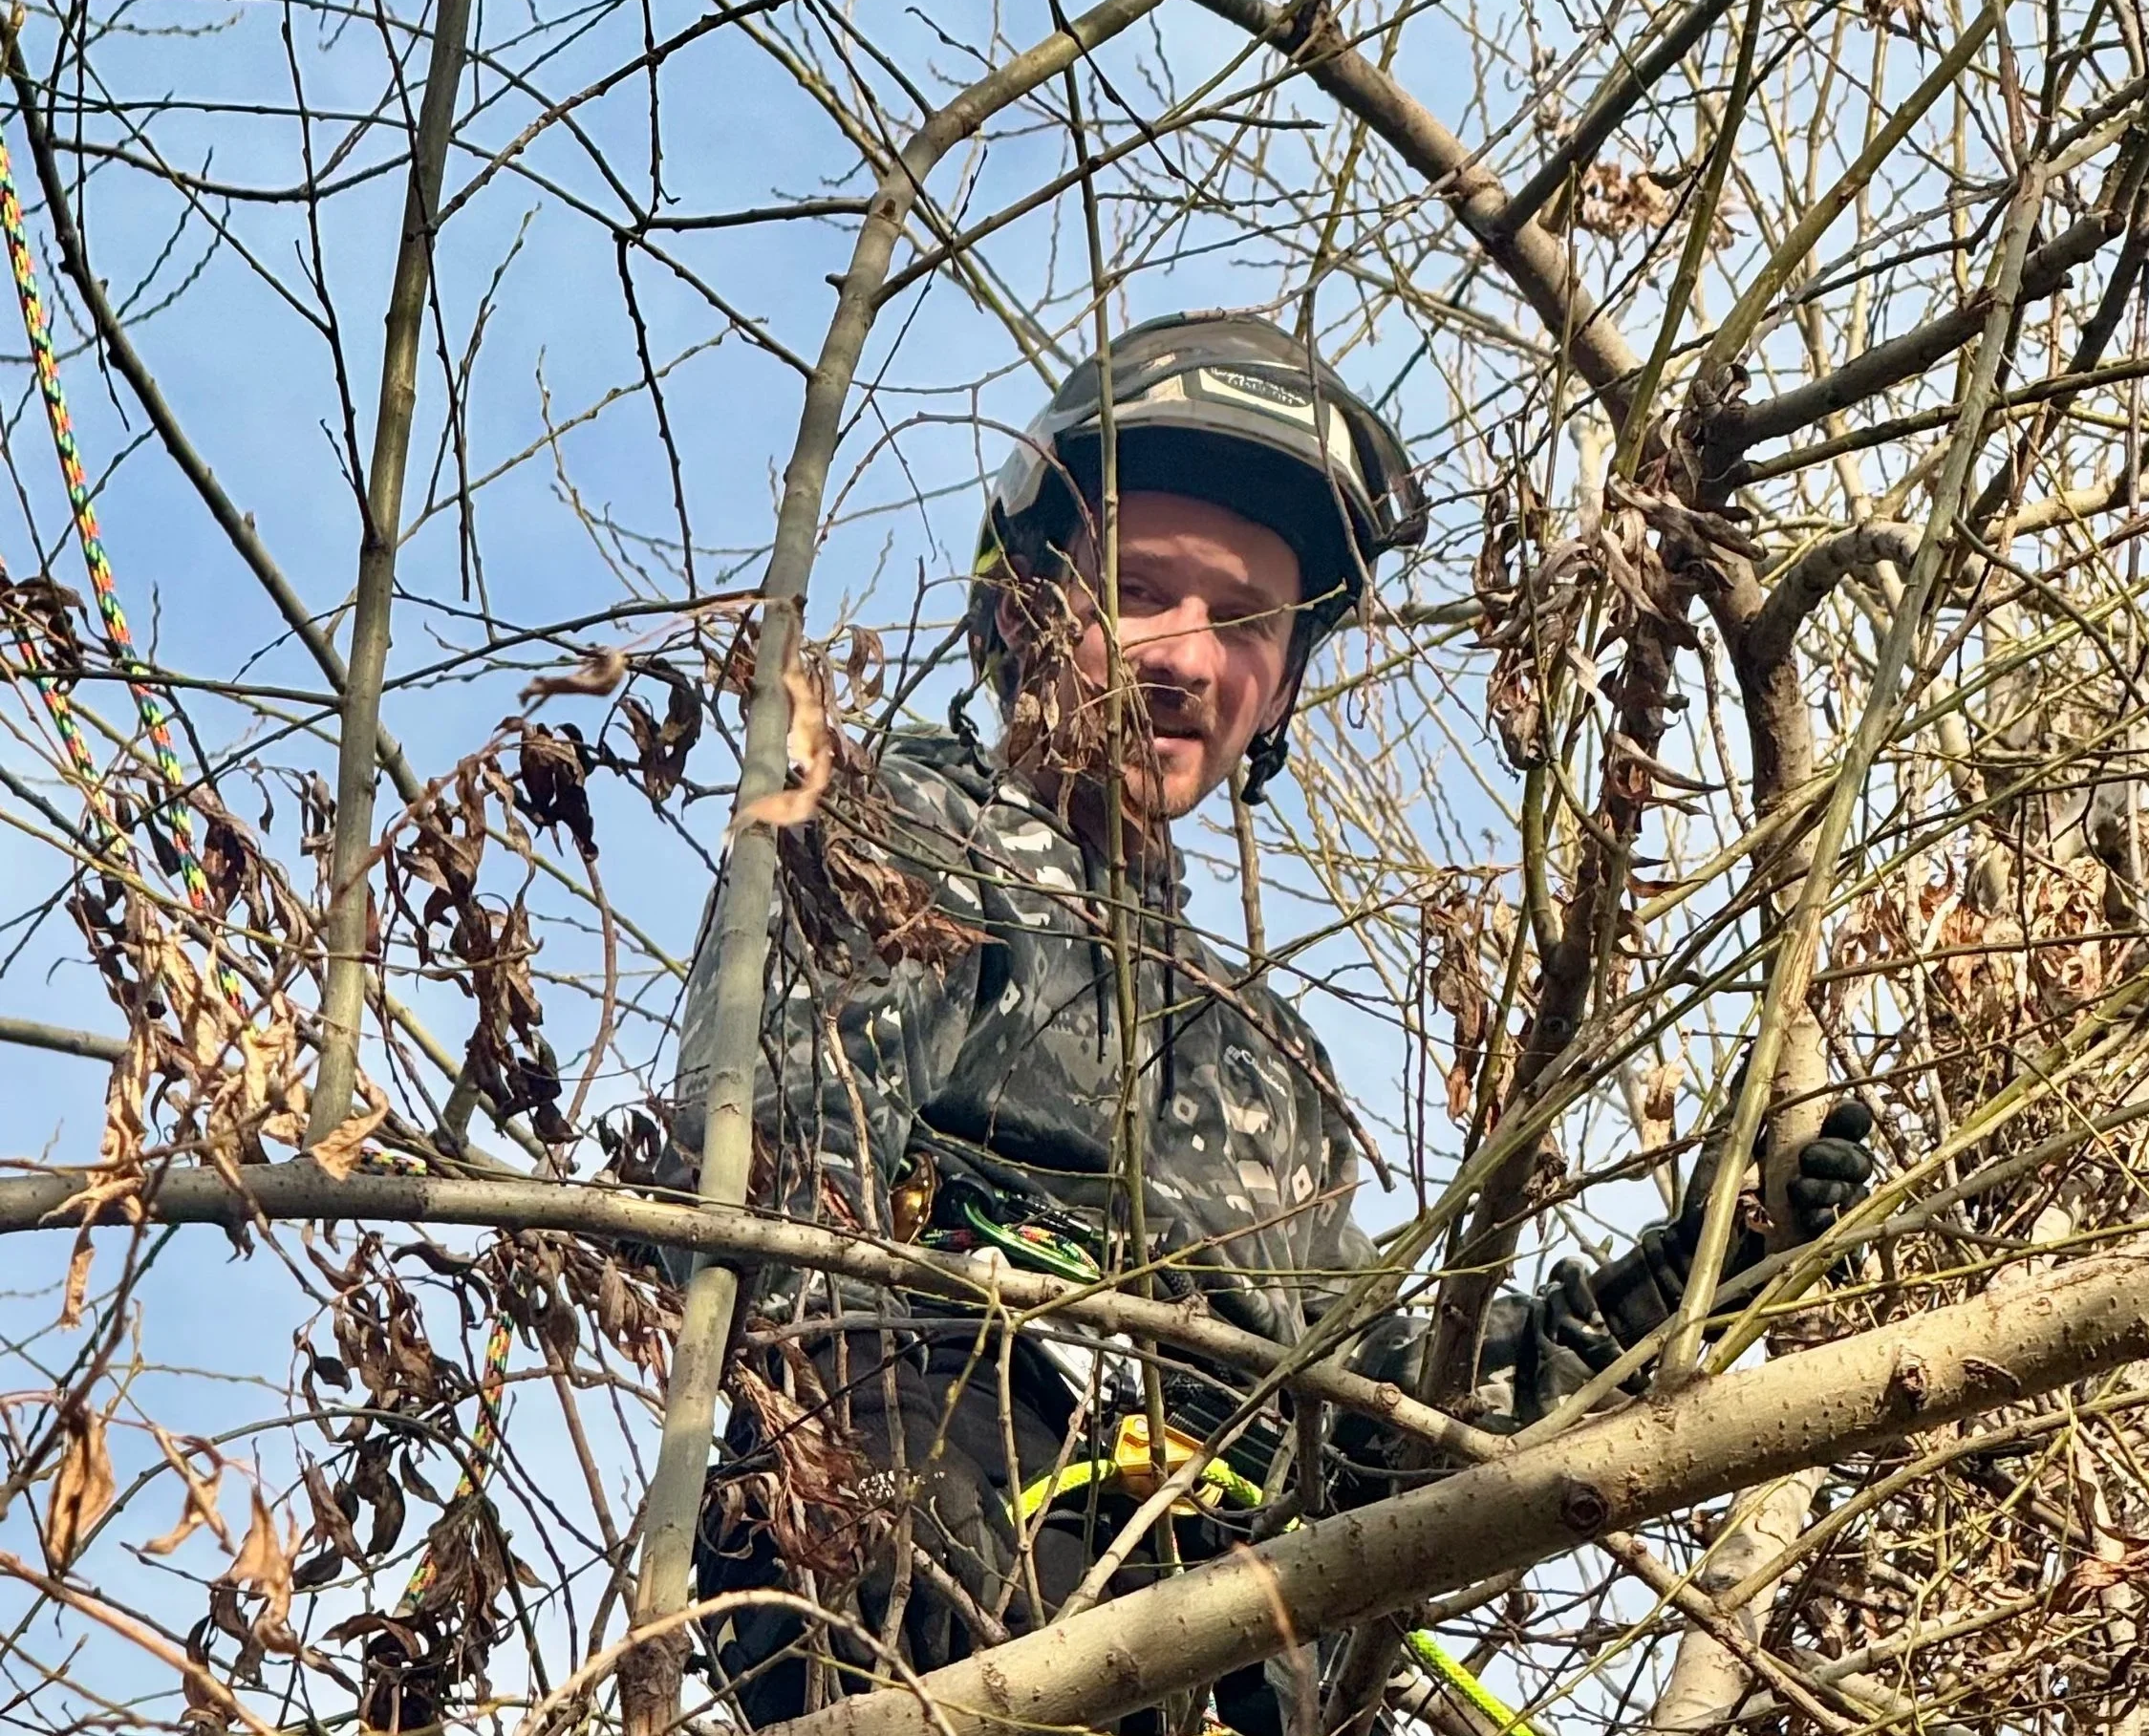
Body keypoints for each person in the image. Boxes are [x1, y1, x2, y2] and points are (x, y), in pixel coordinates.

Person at [663, 312, 1876, 1728]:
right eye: (1140, 591)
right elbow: (773, 1225)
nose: (1183, 657)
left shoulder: (1266, 1065)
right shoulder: (897, 835)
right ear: (1019, 608)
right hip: (947, 1555)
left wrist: (1710, 1256)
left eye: (1241, 620)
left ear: (1282, 684)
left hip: (1229, 1635)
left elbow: (1391, 1436)